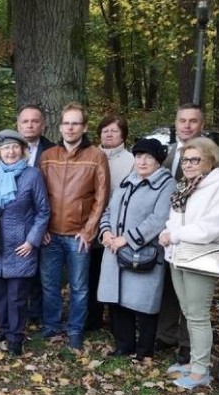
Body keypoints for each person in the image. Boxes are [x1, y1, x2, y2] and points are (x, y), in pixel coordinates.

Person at [159, 137, 219, 388]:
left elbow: (214, 227)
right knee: (187, 311)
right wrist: (168, 232)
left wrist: (176, 235)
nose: (189, 164)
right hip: (178, 254)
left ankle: (201, 370)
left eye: (195, 159)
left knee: (197, 314)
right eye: (185, 159)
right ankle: (193, 362)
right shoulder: (187, 185)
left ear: (210, 160)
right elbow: (176, 217)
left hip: (201, 256)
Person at [39, 102, 110, 349]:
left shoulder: (96, 156)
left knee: (79, 287)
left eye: (75, 123)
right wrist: (42, 228)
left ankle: (75, 330)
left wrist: (89, 230)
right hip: (50, 235)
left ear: (84, 127)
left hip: (78, 235)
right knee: (50, 285)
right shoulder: (48, 157)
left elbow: (101, 198)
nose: (70, 128)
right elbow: (39, 196)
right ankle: (51, 326)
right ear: (60, 126)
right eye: (66, 123)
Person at [0, 130, 50, 355]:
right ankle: (4, 328)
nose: (11, 151)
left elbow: (43, 211)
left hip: (20, 246)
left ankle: (16, 336)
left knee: (16, 296)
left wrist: (32, 241)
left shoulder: (32, 175)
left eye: (15, 147)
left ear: (23, 151)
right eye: (6, 148)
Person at [97, 138, 175, 361]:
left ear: (158, 161)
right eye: (139, 156)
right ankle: (124, 345)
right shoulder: (127, 181)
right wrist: (106, 233)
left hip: (143, 252)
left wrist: (127, 239)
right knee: (118, 299)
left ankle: (144, 350)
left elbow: (159, 219)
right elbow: (110, 210)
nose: (142, 161)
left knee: (144, 302)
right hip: (114, 249)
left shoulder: (166, 184)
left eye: (148, 157)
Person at [88, 114, 135, 332]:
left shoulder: (132, 161)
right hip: (89, 223)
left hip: (117, 228)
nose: (108, 134)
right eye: (105, 130)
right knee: (91, 273)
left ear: (123, 134)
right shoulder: (90, 156)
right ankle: (93, 319)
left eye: (114, 130)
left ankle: (118, 323)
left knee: (115, 274)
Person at [15, 104, 55, 327]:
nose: (29, 125)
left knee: (42, 273)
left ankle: (38, 315)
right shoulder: (7, 149)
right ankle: (18, 311)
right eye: (25, 121)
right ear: (18, 125)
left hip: (42, 222)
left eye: (35, 121)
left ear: (43, 124)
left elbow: (57, 193)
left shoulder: (53, 151)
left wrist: (46, 226)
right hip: (15, 222)